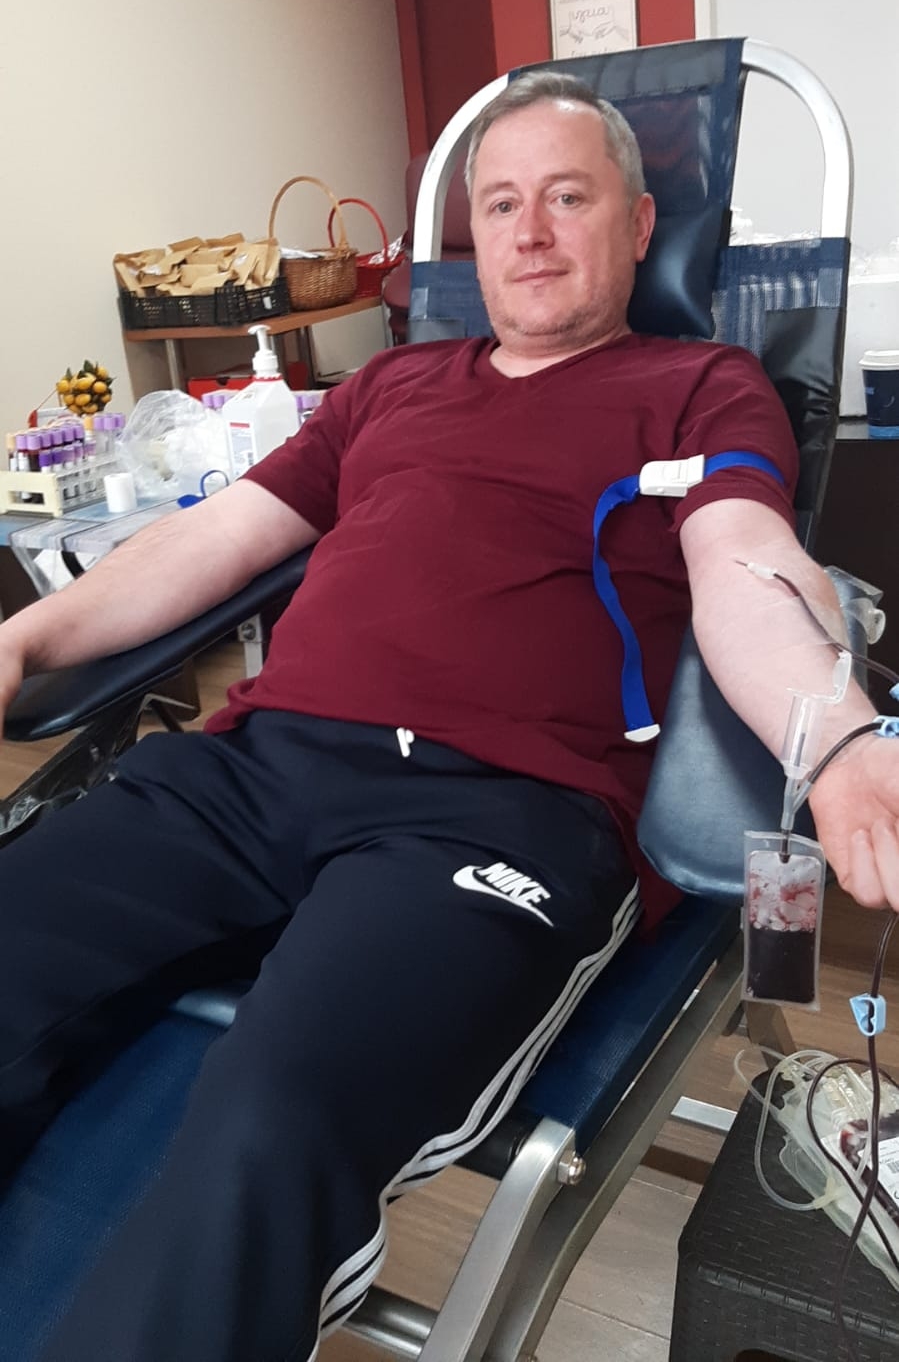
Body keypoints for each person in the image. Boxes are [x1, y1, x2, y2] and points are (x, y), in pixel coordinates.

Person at [0, 71, 897, 1362]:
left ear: (641, 225)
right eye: (502, 204)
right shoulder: (391, 386)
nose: (529, 233)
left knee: (275, 1109)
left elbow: (747, 565)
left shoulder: (702, 384)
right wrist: (23, 638)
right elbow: (215, 540)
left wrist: (841, 733)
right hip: (253, 770)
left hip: (498, 817)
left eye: (569, 198)